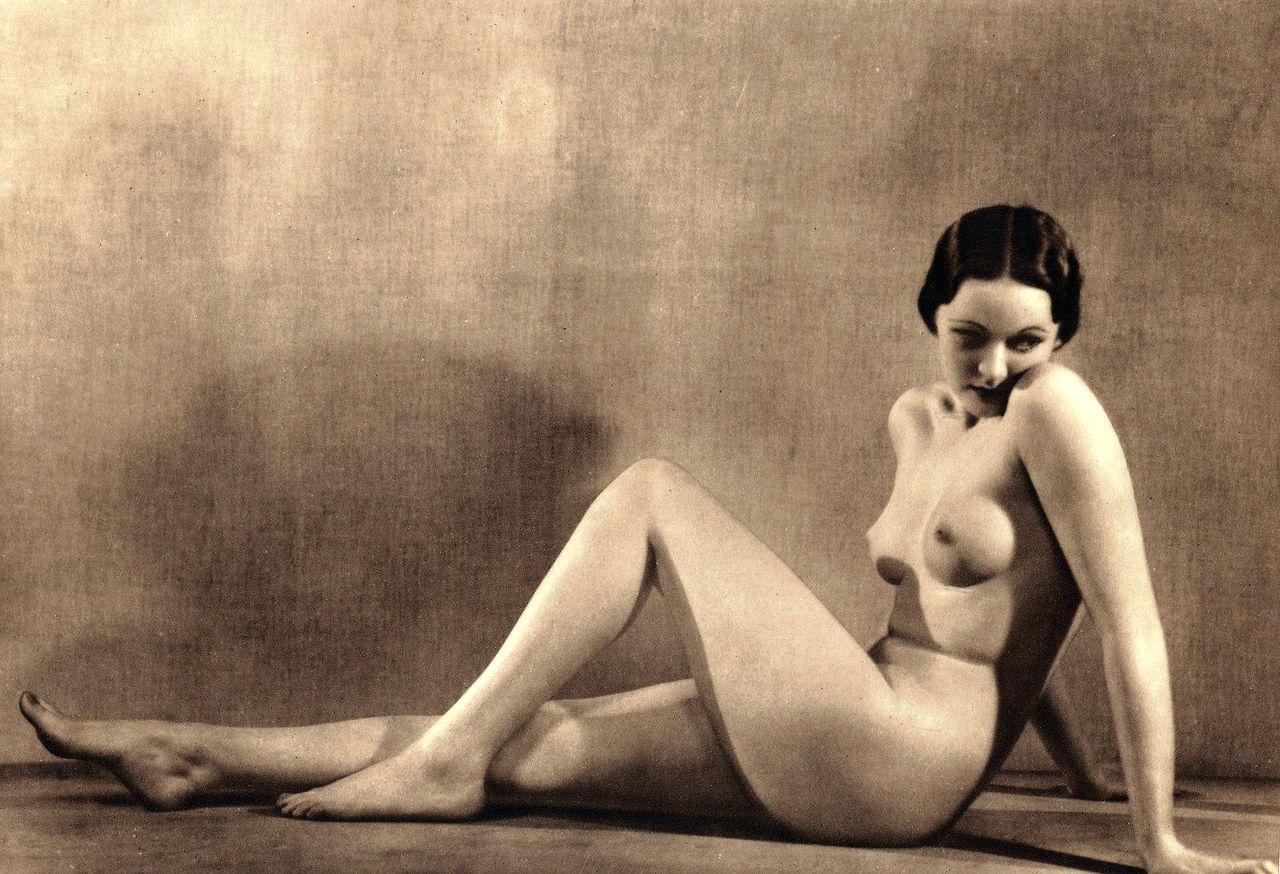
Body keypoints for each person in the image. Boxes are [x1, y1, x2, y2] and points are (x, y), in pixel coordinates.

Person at [19, 205, 1274, 874]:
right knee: (522, 734)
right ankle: (191, 755)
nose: (995, 364)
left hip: (900, 762)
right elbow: (1010, 618)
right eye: (968, 335)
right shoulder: (923, 416)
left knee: (651, 494)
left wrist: (1153, 840)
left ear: (1063, 336)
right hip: (853, 718)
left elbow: (1121, 620)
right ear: (929, 316)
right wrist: (1072, 770)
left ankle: (438, 762)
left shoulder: (1060, 413)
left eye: (1025, 339)